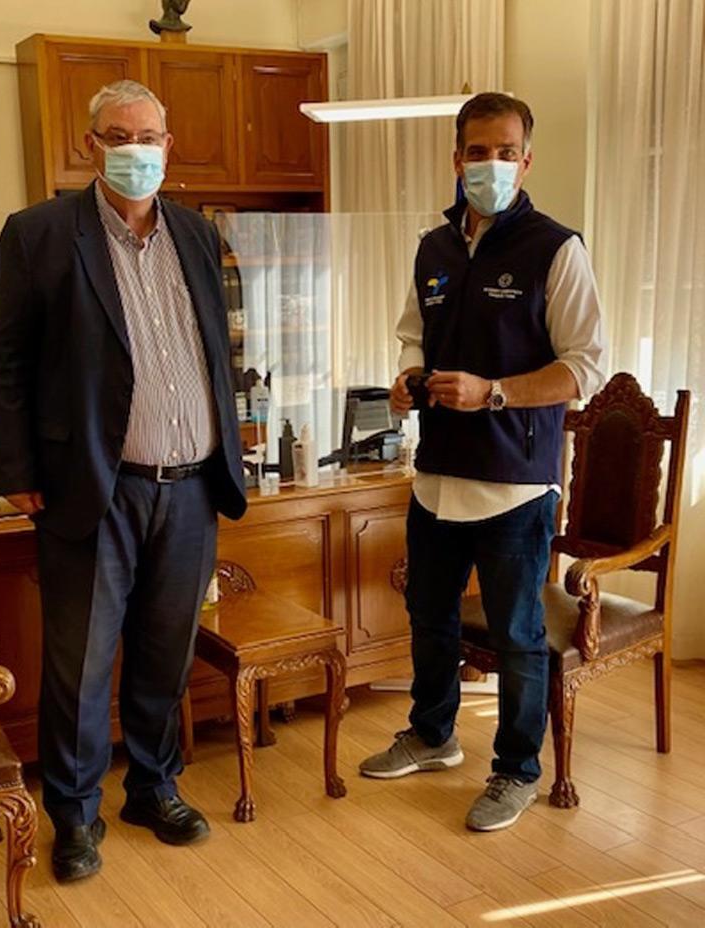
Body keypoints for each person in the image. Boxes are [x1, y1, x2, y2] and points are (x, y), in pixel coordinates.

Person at [0, 79, 246, 882]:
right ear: (91, 145)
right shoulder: (39, 234)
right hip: (92, 489)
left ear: (168, 145)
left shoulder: (195, 233)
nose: (137, 150)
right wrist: (18, 470)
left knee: (166, 655)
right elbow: (7, 361)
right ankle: (74, 816)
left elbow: (216, 350)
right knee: (82, 664)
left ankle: (153, 789)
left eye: (149, 137)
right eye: (118, 136)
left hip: (192, 487)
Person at [359, 93, 606, 832]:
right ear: (456, 157)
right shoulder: (433, 248)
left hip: (515, 485)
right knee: (428, 614)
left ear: (526, 161)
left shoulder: (556, 249)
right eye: (477, 151)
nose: (489, 164)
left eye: (505, 152)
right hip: (436, 475)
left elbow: (585, 368)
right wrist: (407, 379)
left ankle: (517, 769)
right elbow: (413, 334)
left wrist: (494, 393)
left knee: (516, 634)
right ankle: (433, 735)